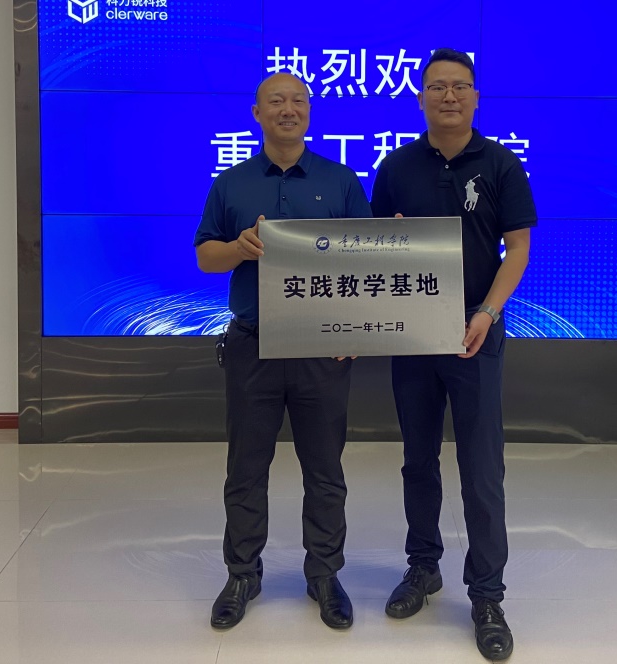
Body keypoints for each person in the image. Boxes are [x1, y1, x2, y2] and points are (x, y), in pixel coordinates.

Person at [370, 49, 535, 662]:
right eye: (437, 86)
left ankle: (487, 594)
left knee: (481, 467)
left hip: (475, 332)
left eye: (460, 86)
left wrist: (486, 312)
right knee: (417, 458)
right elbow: (373, 245)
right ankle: (423, 566)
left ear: (475, 96)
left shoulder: (500, 164)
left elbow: (517, 249)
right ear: (420, 97)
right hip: (412, 334)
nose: (448, 96)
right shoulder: (395, 166)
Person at [195, 72, 372, 632]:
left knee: (325, 470)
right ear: (257, 113)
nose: (288, 109)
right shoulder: (232, 183)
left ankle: (324, 574)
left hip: (323, 347)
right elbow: (205, 257)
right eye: (276, 101)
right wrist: (238, 247)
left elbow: (367, 261)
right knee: (246, 468)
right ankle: (242, 574)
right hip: (253, 346)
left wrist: (354, 331)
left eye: (298, 100)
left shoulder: (340, 181)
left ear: (309, 112)